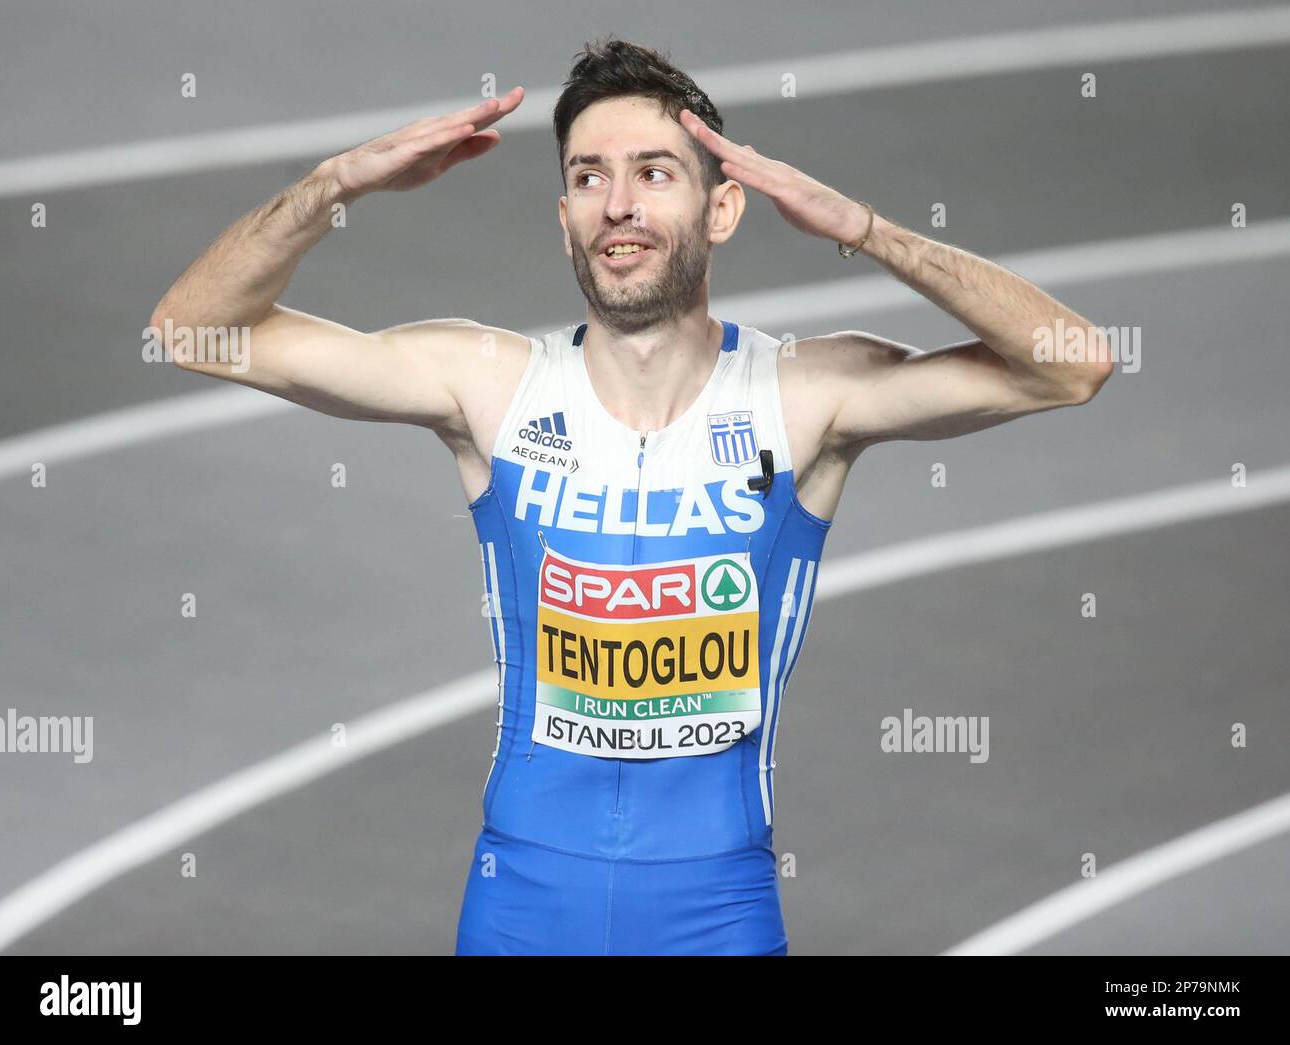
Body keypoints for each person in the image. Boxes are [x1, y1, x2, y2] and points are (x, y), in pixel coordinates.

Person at [152, 38, 1112, 955]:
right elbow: (191, 333)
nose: (617, 204)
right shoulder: (489, 387)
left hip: (716, 907)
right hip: (523, 900)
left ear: (722, 208)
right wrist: (334, 188)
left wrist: (864, 230)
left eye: (654, 172)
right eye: (586, 177)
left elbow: (1072, 368)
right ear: (563, 215)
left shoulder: (808, 395)